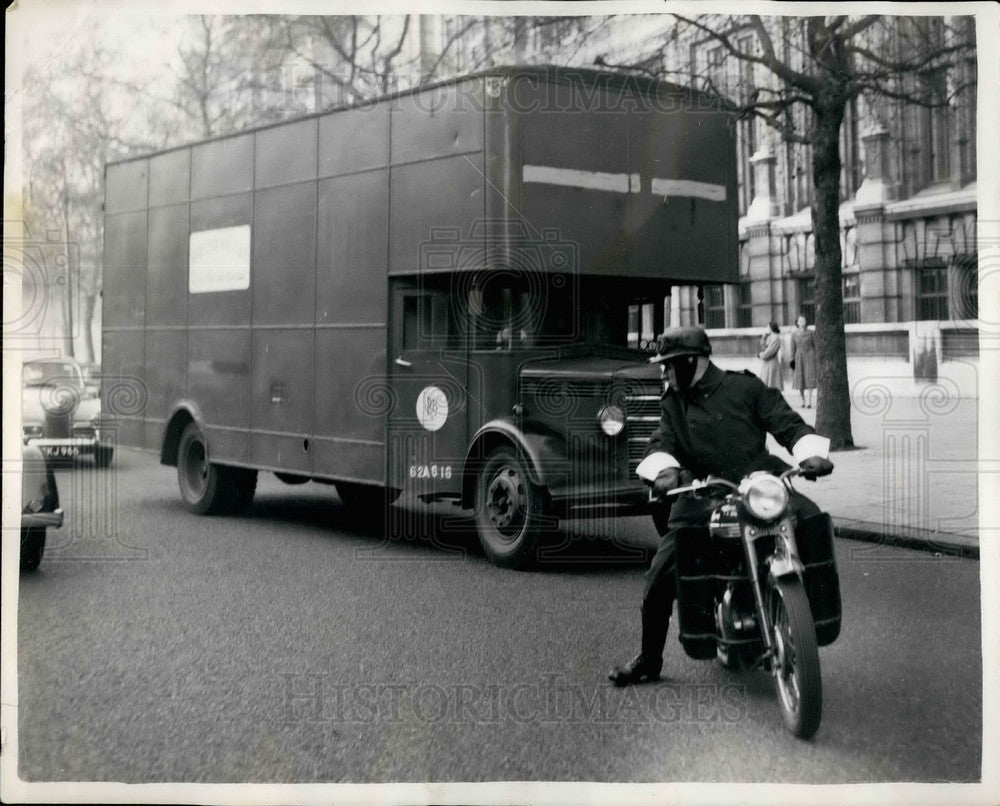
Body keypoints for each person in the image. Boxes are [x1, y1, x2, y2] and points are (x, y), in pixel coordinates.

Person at [608, 326, 834, 687]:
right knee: (658, 579)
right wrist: (666, 471)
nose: (664, 372)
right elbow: (661, 441)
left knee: (811, 520)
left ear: (689, 362)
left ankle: (815, 621)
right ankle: (649, 660)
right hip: (702, 492)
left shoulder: (745, 387)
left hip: (758, 485)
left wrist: (809, 455)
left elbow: (786, 422)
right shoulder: (673, 403)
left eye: (668, 365)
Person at [790, 314, 818, 408]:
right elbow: (792, 348)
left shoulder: (811, 332)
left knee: (810, 377)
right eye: (800, 321)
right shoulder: (794, 334)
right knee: (799, 379)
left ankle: (809, 400)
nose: (802, 322)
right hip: (799, 357)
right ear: (797, 323)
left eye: (804, 320)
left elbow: (816, 345)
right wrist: (792, 360)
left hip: (810, 356)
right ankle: (803, 400)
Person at [758, 322, 783, 390]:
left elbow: (771, 350)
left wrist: (761, 355)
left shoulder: (776, 337)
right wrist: (763, 338)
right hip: (766, 362)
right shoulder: (769, 336)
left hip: (772, 362)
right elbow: (764, 348)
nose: (767, 329)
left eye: (768, 327)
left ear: (772, 328)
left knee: (771, 382)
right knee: (766, 381)